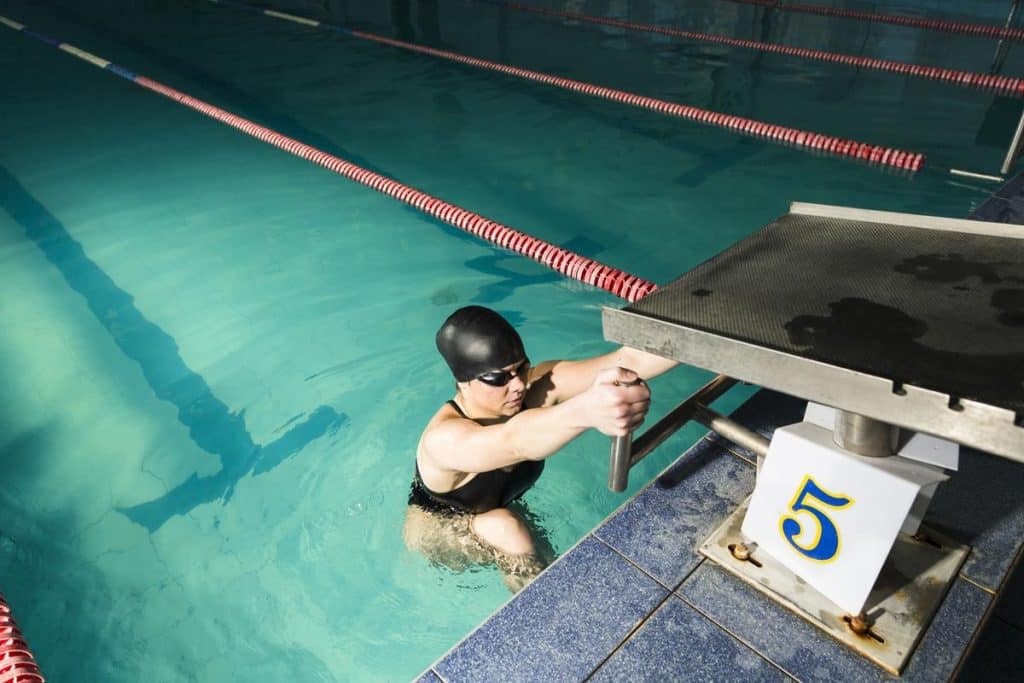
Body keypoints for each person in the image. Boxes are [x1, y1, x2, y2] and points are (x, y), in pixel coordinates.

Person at [404, 305, 677, 590]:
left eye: (521, 368)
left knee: (540, 556)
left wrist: (699, 342)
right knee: (506, 528)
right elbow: (514, 442)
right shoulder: (444, 439)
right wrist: (586, 410)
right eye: (499, 378)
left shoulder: (538, 385)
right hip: (439, 529)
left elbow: (629, 360)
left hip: (495, 507)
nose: (519, 385)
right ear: (464, 382)